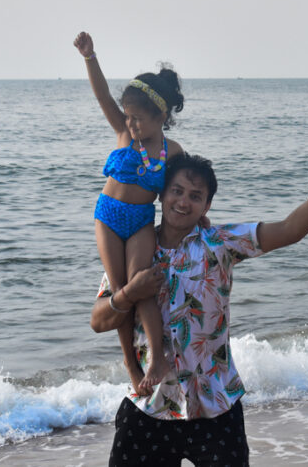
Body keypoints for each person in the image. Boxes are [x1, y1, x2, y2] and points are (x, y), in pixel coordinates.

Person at [92, 145, 308, 467]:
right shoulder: (132, 252)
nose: (183, 202)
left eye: (195, 195)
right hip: (150, 406)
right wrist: (129, 293)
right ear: (162, 196)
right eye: (176, 191)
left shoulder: (220, 243)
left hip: (216, 406)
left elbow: (288, 230)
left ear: (207, 204)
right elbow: (99, 321)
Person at [74, 30, 184, 396]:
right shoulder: (123, 132)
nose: (132, 123)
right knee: (120, 290)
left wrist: (196, 217)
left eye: (139, 118)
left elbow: (178, 192)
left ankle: (157, 358)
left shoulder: (173, 151)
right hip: (107, 217)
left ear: (160, 116)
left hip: (140, 222)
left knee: (143, 286)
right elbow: (102, 94)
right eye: (129, 117)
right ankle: (129, 362)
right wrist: (90, 57)